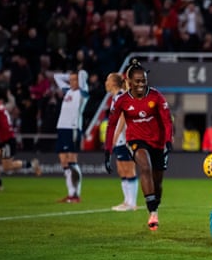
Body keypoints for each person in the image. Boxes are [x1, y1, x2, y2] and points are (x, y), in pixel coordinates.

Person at [104, 60, 173, 231]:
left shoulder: (156, 96)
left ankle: (155, 207)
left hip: (157, 142)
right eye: (137, 81)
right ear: (128, 81)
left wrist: (168, 141)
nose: (141, 84)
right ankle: (151, 212)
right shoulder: (122, 101)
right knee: (145, 166)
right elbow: (111, 125)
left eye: (143, 80)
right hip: (135, 140)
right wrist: (107, 150)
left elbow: (166, 120)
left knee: (158, 183)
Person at [0, 82, 41, 191]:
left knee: (8, 167)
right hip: (4, 139)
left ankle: (32, 164)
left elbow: (4, 126)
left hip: (6, 140)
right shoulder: (0, 105)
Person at [104, 72, 138, 211]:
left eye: (107, 79)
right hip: (119, 139)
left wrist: (116, 134)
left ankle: (132, 203)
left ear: (113, 83)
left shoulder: (121, 97)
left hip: (126, 138)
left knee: (128, 168)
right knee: (121, 169)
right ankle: (126, 201)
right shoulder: (114, 98)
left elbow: (124, 117)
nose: (106, 82)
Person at [54, 70, 89, 203]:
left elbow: (82, 74)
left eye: (75, 80)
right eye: (71, 80)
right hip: (62, 128)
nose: (72, 82)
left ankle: (76, 194)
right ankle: (70, 194)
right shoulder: (68, 91)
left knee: (72, 162)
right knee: (63, 161)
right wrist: (68, 76)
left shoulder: (83, 92)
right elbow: (56, 76)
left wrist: (79, 76)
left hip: (73, 128)